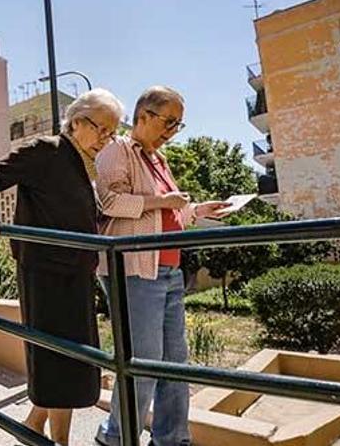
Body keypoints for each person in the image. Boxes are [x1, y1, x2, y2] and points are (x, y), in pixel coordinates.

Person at [0, 89, 124, 445]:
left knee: (72, 364)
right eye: (101, 129)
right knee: (60, 368)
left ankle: (32, 428)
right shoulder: (46, 150)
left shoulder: (83, 163)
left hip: (76, 275)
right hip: (47, 275)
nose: (106, 139)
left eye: (111, 132)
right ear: (76, 121)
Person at [94, 86, 230, 446]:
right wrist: (162, 200)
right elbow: (109, 201)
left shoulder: (159, 159)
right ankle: (117, 438)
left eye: (178, 125)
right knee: (145, 360)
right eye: (168, 121)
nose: (172, 130)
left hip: (168, 271)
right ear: (143, 116)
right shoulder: (116, 150)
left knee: (175, 362)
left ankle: (172, 440)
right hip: (136, 269)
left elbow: (170, 213)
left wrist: (199, 210)